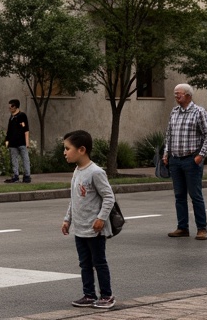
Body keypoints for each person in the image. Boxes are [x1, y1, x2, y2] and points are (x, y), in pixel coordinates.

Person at [61, 129, 116, 310]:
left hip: (95, 229)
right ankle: (89, 294)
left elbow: (109, 197)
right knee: (84, 263)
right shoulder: (77, 171)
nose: (65, 152)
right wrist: (67, 219)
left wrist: (101, 218)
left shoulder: (96, 172)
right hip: (80, 228)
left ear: (81, 149)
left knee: (99, 262)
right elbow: (74, 198)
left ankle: (107, 296)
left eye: (68, 148)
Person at [161, 83, 207, 240]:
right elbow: (169, 135)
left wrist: (200, 156)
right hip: (175, 160)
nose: (176, 96)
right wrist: (166, 154)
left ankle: (202, 229)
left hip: (191, 160)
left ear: (189, 96)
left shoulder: (199, 112)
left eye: (179, 94)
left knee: (195, 195)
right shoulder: (174, 112)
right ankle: (182, 227)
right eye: (175, 94)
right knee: (179, 196)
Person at [4, 99, 32, 183]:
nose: (9, 109)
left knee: (25, 159)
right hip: (13, 142)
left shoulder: (22, 116)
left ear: (15, 107)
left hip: (21, 142)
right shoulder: (11, 118)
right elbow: (9, 131)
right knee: (14, 159)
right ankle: (15, 175)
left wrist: (27, 142)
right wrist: (7, 142)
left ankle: (27, 175)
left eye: (11, 107)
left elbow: (25, 129)